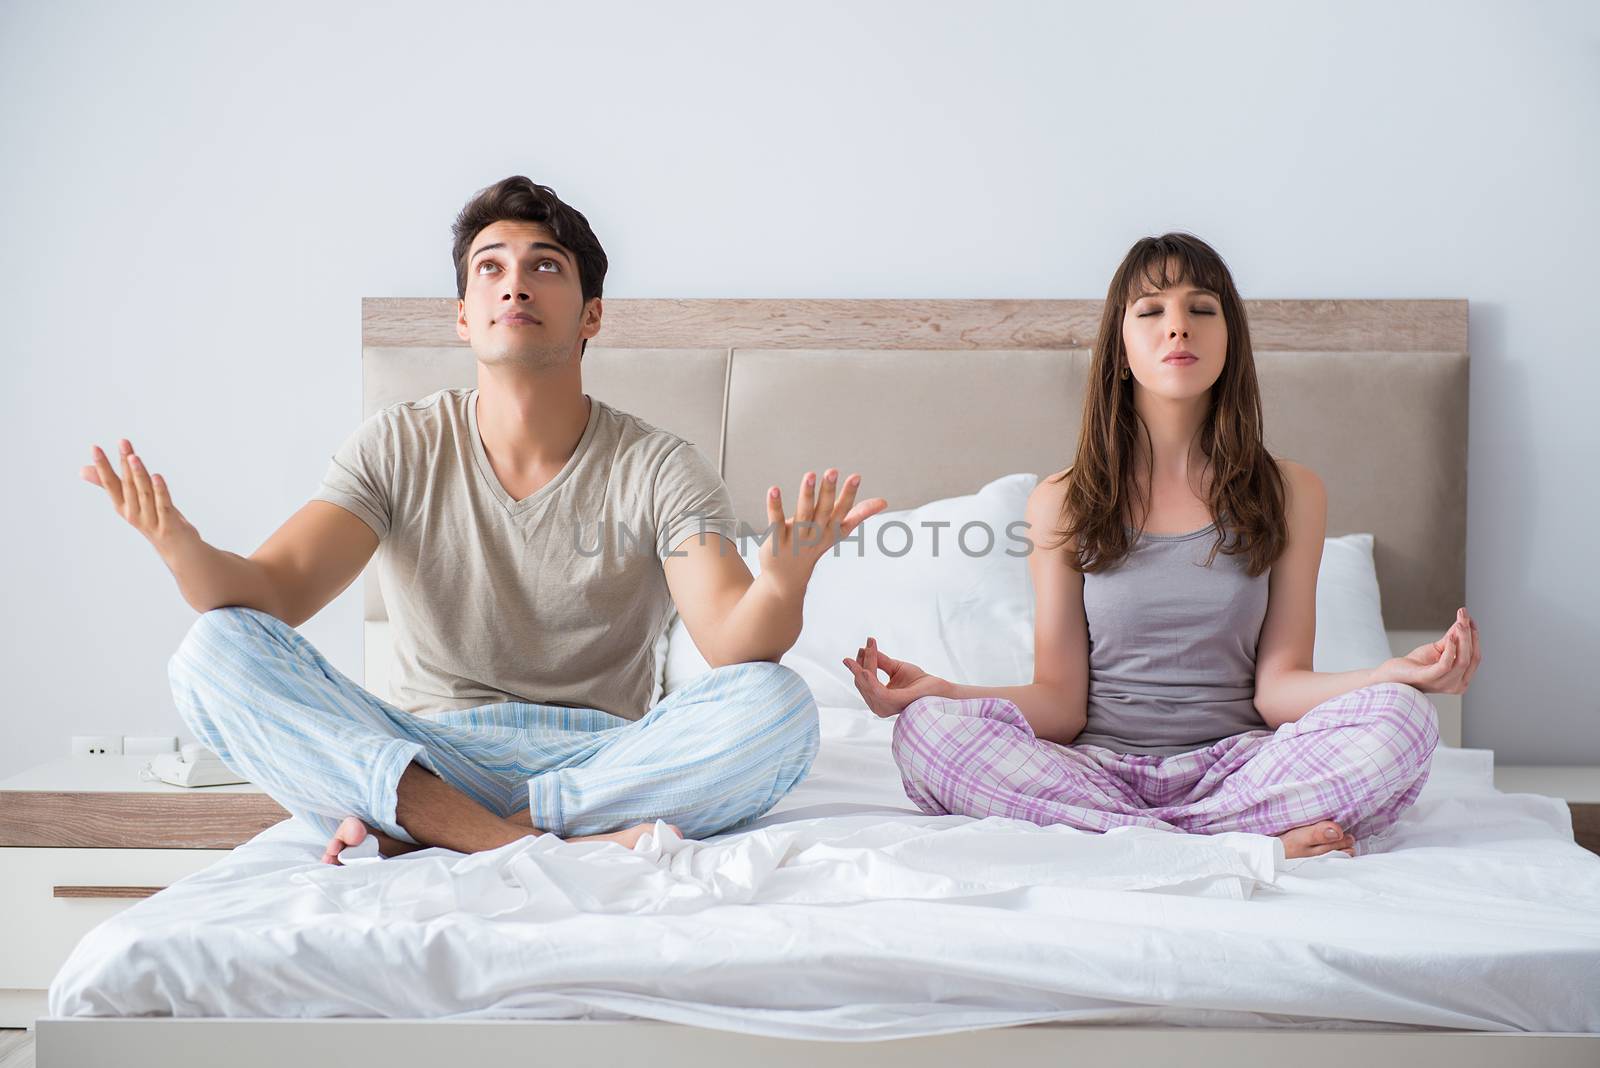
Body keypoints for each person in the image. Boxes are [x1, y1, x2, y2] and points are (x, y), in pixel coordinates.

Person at [82, 176, 886, 864]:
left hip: (603, 758)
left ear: (591, 317)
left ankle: (447, 836)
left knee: (777, 708)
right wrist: (180, 547)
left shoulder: (659, 466)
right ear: (464, 315)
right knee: (211, 652)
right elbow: (272, 593)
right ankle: (513, 843)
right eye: (490, 268)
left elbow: (733, 645)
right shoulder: (398, 444)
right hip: (427, 756)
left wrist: (783, 576)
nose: (515, 284)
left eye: (545, 266)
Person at [843, 232, 1479, 859]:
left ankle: (1143, 843)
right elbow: (1060, 705)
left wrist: (1388, 675)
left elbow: (1278, 689)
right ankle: (1228, 844)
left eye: (1202, 310)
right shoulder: (1061, 501)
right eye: (1151, 311)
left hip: (1241, 770)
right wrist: (943, 693)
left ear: (1230, 341)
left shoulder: (1292, 491)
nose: (1179, 327)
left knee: (1404, 718)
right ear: (1121, 348)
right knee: (924, 733)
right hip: (1096, 773)